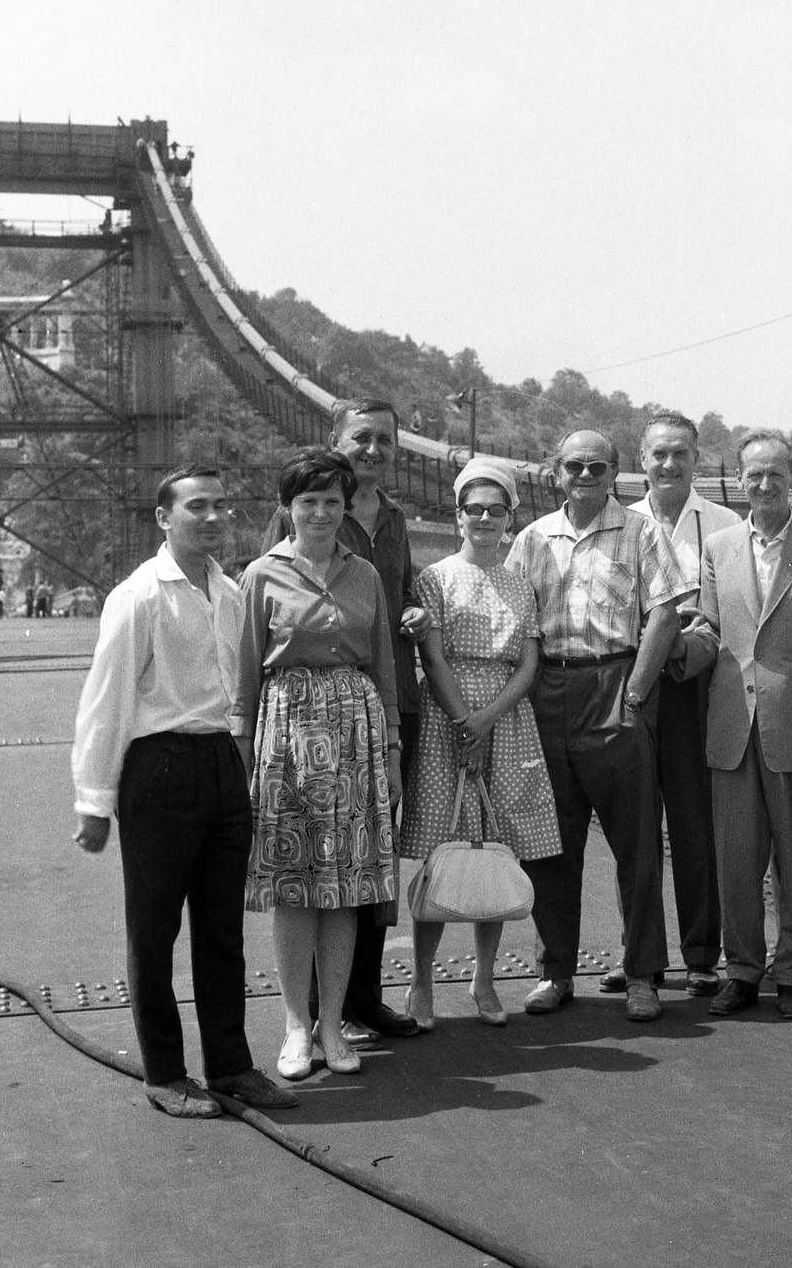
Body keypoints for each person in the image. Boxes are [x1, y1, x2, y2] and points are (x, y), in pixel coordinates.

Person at [71, 464, 296, 1118]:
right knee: (154, 929)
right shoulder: (139, 596)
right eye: (197, 506)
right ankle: (166, 1073)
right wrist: (94, 801)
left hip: (223, 765)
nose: (212, 517)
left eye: (220, 506)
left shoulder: (227, 592)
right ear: (164, 518)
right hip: (160, 768)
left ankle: (230, 1065)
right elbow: (105, 700)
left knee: (223, 932)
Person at [506, 428, 692, 1023]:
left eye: (597, 467)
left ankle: (642, 974)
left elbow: (665, 611)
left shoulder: (641, 532)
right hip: (549, 689)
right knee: (551, 843)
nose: (585, 476)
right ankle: (555, 971)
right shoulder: (533, 539)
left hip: (617, 684)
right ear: (555, 471)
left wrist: (636, 691)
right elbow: (512, 615)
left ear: (615, 472)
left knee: (635, 842)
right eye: (574, 466)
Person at [262, 397, 428, 1048]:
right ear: (337, 441)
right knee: (312, 861)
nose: (374, 449)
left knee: (371, 857)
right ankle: (307, 1008)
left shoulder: (393, 518)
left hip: (385, 705)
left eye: (385, 440)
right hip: (308, 717)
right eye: (362, 438)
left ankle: (362, 998)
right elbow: (270, 596)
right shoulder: (300, 509)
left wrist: (413, 609)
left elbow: (404, 586)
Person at [234, 447, 401, 1080]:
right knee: (293, 887)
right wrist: (246, 760)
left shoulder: (366, 575)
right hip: (286, 735)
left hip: (354, 734)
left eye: (333, 501)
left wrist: (390, 752)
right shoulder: (261, 574)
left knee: (345, 889)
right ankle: (295, 1025)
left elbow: (384, 668)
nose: (322, 513)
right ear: (288, 508)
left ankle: (333, 1024)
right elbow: (246, 681)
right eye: (309, 501)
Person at [401, 459, 561, 1028]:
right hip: (451, 714)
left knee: (494, 850)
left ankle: (484, 980)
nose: (485, 518)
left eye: (496, 509)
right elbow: (433, 656)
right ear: (458, 516)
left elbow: (529, 663)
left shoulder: (521, 583)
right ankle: (421, 984)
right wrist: (465, 722)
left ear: (510, 517)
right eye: (474, 508)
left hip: (506, 717)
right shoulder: (436, 577)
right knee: (444, 852)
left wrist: (487, 720)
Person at [700, 429, 792, 1020]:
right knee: (736, 861)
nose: (764, 484)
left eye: (775, 475)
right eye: (753, 474)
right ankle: (741, 970)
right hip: (732, 722)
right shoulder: (718, 547)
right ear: (738, 480)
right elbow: (709, 630)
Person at [619, 410, 739, 998]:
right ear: (641, 460)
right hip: (634, 685)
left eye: (681, 454)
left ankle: (700, 953)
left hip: (692, 685)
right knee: (632, 827)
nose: (669, 465)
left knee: (694, 825)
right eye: (658, 454)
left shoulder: (721, 525)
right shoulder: (619, 523)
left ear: (696, 458)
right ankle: (636, 951)